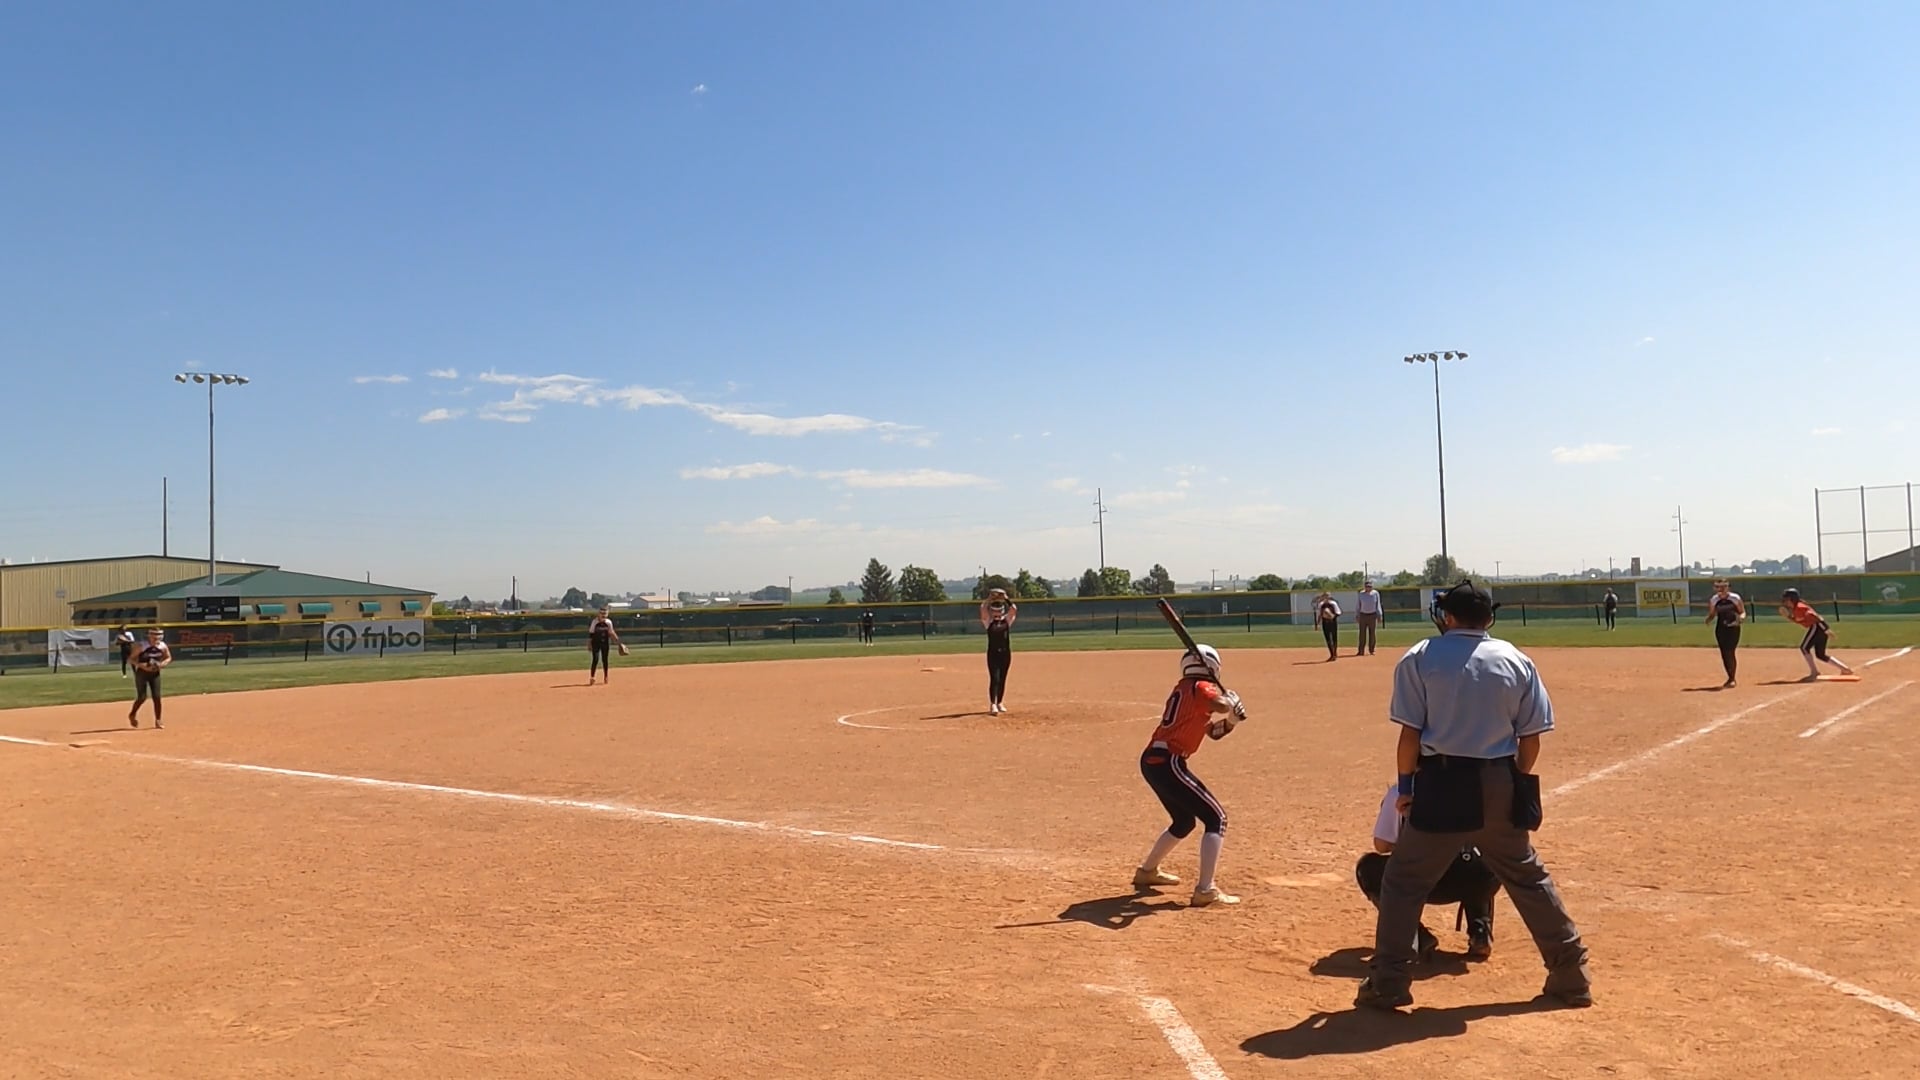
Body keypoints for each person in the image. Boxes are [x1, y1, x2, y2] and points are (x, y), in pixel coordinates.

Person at [1356, 581, 1591, 1011]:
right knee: (1527, 877)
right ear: (1490, 618)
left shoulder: (1421, 656)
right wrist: (1512, 780)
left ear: (1447, 617)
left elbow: (1410, 736)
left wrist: (1406, 788)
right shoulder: (1516, 659)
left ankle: (1389, 981)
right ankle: (1571, 975)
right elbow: (1531, 739)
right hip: (1499, 776)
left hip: (1442, 782)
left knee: (1404, 881)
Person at [1132, 643, 1248, 908]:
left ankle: (1147, 872)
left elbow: (1213, 732)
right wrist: (1229, 703)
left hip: (1155, 761)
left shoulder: (1185, 690)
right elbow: (1219, 704)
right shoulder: (1200, 686)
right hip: (1169, 761)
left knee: (1184, 821)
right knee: (1216, 818)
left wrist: (1232, 721)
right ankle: (1206, 890)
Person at [1355, 781, 1501, 961]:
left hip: (1428, 879)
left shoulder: (1402, 791)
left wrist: (1410, 846)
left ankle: (1416, 935)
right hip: (1480, 877)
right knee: (1479, 855)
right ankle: (1480, 931)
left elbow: (1381, 845)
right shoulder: (1478, 781)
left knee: (1368, 868)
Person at [1780, 588, 1853, 680]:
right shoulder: (1796, 608)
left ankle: (1814, 672)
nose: (1785, 602)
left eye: (1787, 599)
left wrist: (1826, 629)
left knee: (1804, 648)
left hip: (1817, 627)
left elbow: (1815, 617)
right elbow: (1801, 621)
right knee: (1820, 655)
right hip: (1818, 629)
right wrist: (1790, 617)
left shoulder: (1799, 607)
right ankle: (1845, 669)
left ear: (1792, 599)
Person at [1703, 578, 1746, 687]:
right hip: (1721, 628)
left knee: (1730, 651)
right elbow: (1713, 613)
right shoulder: (1714, 600)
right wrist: (1709, 619)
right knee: (1724, 653)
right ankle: (1730, 677)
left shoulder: (1735, 598)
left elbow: (1742, 612)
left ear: (1728, 587)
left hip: (1733, 627)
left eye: (1723, 586)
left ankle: (1732, 678)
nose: (1721, 589)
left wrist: (1740, 618)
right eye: (1718, 587)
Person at [980, 589, 1017, 714]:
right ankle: (993, 704)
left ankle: (1000, 702)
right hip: (993, 653)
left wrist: (1006, 598)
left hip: (1005, 653)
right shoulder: (989, 622)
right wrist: (989, 599)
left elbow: (1014, 609)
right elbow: (982, 609)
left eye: (999, 609)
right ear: (991, 611)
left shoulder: (1006, 621)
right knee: (994, 678)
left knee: (1002, 678)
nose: (997, 612)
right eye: (994, 609)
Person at [128, 627, 172, 729]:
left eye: (159, 635)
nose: (157, 638)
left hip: (155, 673)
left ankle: (158, 720)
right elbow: (131, 659)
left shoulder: (162, 646)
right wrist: (142, 665)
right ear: (150, 636)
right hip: (142, 673)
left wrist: (162, 664)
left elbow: (168, 657)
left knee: (157, 697)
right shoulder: (142, 646)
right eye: (154, 635)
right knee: (142, 697)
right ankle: (132, 714)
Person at [587, 607, 622, 684]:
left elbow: (611, 632)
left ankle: (606, 676)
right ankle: (592, 677)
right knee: (595, 659)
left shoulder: (608, 622)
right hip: (595, 643)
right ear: (598, 614)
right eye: (601, 613)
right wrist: (589, 644)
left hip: (605, 643)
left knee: (605, 660)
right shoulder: (595, 622)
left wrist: (619, 642)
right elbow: (591, 634)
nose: (603, 615)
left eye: (605, 613)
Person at [1354, 582, 1384, 656]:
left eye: (1370, 586)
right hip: (1363, 615)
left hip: (1372, 615)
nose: (1368, 588)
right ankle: (1361, 651)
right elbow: (1358, 605)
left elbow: (1378, 605)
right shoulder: (1361, 594)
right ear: (1365, 587)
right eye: (1367, 586)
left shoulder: (1375, 593)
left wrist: (1379, 615)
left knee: (1372, 633)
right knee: (1362, 634)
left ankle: (1372, 650)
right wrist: (1357, 615)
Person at [1315, 592, 1341, 661]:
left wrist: (1332, 616)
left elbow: (1338, 612)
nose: (1326, 597)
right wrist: (1317, 624)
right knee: (1328, 638)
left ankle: (1335, 653)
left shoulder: (1333, 603)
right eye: (1325, 596)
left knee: (1334, 637)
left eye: (1328, 596)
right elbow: (1319, 614)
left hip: (1332, 622)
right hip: (1325, 622)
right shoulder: (1321, 604)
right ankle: (1332, 654)